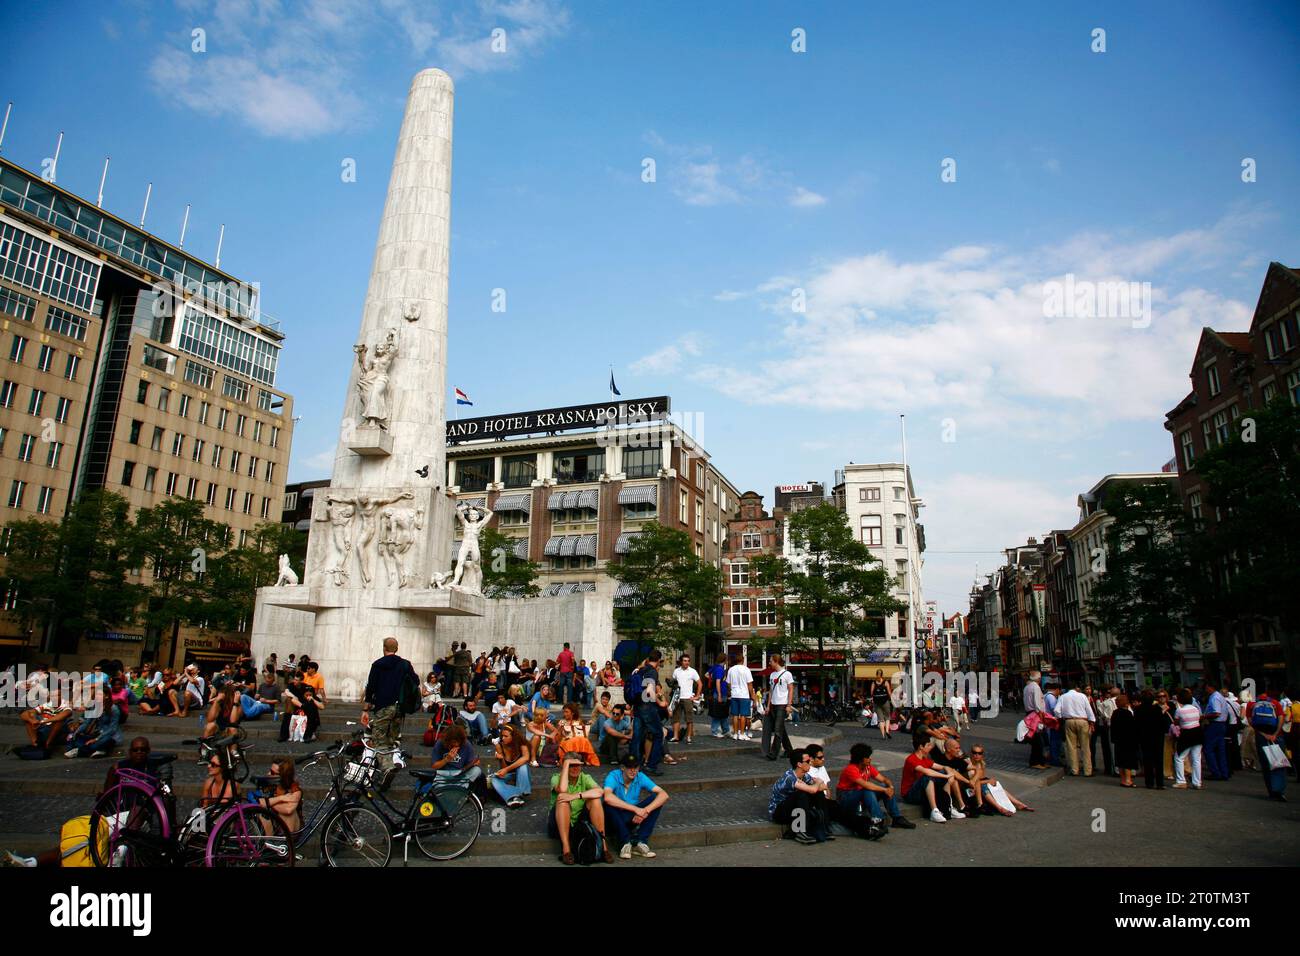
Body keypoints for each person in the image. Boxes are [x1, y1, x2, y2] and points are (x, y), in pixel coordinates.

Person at [361, 636, 419, 775]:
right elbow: (415, 681)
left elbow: (371, 688)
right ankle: (393, 760)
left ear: (384, 648)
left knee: (379, 738)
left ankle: (387, 767)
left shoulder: (378, 664)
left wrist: (365, 709)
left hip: (382, 706)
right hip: (400, 708)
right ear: (397, 649)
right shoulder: (405, 664)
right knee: (392, 738)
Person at [549, 753, 614, 864]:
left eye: (577, 765)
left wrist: (575, 796)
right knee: (562, 799)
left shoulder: (585, 777)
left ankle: (603, 848)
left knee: (596, 800)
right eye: (571, 765)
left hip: (579, 821)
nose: (575, 768)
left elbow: (600, 791)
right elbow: (563, 789)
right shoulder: (556, 777)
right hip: (559, 822)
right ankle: (566, 850)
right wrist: (565, 765)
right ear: (564, 766)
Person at [602, 753, 669, 859]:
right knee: (608, 804)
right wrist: (636, 809)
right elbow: (607, 797)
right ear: (622, 768)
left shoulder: (640, 776)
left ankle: (640, 842)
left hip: (631, 817)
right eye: (629, 767)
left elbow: (664, 795)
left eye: (636, 767)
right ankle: (625, 843)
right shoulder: (613, 776)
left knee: (655, 799)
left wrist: (645, 811)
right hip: (613, 820)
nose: (633, 770)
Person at [837, 742, 913, 831]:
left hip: (860, 795)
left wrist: (890, 787)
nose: (870, 759)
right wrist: (885, 789)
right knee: (868, 790)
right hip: (846, 798)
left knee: (883, 788)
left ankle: (897, 818)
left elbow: (883, 779)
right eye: (868, 757)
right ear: (861, 759)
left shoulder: (868, 767)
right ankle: (878, 819)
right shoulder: (851, 769)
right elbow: (865, 784)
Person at [768, 748, 830, 844]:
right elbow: (814, 788)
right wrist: (817, 782)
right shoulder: (790, 777)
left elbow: (824, 787)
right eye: (808, 761)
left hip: (794, 810)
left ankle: (824, 827)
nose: (810, 763)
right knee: (801, 794)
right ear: (799, 764)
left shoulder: (804, 775)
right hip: (779, 812)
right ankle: (801, 832)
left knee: (818, 794)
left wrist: (815, 785)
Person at [901, 737, 965, 823]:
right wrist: (946, 776)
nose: (930, 747)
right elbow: (926, 771)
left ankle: (948, 807)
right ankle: (934, 811)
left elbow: (944, 767)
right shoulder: (911, 759)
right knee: (927, 777)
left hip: (921, 791)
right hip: (910, 794)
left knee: (945, 772)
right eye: (928, 745)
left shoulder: (925, 760)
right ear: (921, 747)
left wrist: (949, 774)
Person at [967, 746, 1035, 814]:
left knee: (998, 787)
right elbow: (972, 783)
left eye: (979, 753)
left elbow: (983, 778)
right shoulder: (969, 766)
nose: (977, 755)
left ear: (982, 754)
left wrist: (990, 781)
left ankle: (1019, 804)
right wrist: (988, 781)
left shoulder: (981, 764)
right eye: (974, 752)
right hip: (973, 787)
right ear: (971, 753)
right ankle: (1000, 808)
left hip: (981, 783)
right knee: (985, 787)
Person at [1247, 690, 1288, 801]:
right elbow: (1281, 718)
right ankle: (1279, 791)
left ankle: (1271, 791)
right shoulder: (1275, 703)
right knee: (1279, 762)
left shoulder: (1251, 704)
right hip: (1276, 736)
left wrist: (1263, 734)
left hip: (1261, 736)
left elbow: (1251, 721)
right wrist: (1274, 734)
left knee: (1265, 764)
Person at [630, 651, 666, 771]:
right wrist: (660, 702)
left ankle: (633, 765)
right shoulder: (652, 671)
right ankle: (651, 765)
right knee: (658, 734)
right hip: (647, 706)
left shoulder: (641, 670)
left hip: (637, 706)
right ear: (658, 660)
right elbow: (650, 691)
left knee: (637, 736)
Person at [1054, 683, 1097, 776]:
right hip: (1082, 721)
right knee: (1085, 747)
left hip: (1069, 721)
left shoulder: (1063, 697)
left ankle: (1074, 770)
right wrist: (1092, 721)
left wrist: (1061, 717)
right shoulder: (1082, 696)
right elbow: (1088, 710)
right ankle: (1088, 771)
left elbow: (1056, 710)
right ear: (1076, 688)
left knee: (1071, 746)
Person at [763, 653, 796, 763]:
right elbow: (771, 691)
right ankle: (789, 751)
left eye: (771, 661)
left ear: (776, 661)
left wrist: (789, 704)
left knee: (777, 730)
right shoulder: (772, 675)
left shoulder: (787, 674)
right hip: (773, 704)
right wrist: (768, 706)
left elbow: (791, 689)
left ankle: (773, 754)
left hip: (782, 704)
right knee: (781, 729)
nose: (769, 663)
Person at [20, 688, 74, 755]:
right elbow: (24, 714)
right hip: (46, 729)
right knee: (29, 717)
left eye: (57, 696)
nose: (54, 698)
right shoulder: (47, 705)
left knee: (59, 721)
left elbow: (62, 716)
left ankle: (47, 744)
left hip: (60, 734)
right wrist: (32, 720)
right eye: (52, 696)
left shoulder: (66, 705)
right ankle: (35, 743)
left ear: (61, 697)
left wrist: (43, 722)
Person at [1171, 688, 1205, 789]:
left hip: (1186, 733)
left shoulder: (1180, 710)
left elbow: (1176, 722)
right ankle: (1197, 782)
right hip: (1197, 733)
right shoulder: (1195, 709)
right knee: (1196, 758)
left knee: (1179, 757)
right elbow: (1199, 718)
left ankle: (1181, 781)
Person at [490, 724, 532, 807]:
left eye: (506, 736)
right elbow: (504, 768)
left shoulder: (522, 744)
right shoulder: (500, 746)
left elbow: (526, 758)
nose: (503, 738)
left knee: (522, 766)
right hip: (509, 774)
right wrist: (501, 758)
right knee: (493, 779)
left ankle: (519, 794)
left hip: (522, 774)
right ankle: (514, 797)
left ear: (513, 737)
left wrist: (506, 769)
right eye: (502, 736)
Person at [260, 755, 303, 834]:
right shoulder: (266, 784)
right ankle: (269, 841)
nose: (269, 773)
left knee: (288, 814)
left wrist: (268, 803)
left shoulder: (294, 788)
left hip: (291, 828)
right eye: (270, 770)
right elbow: (258, 802)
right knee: (262, 813)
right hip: (272, 825)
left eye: (273, 772)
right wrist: (281, 799)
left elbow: (288, 809)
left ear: (283, 776)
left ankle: (286, 841)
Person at [1202, 679, 1230, 781]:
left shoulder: (1214, 698)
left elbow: (1216, 713)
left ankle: (1215, 772)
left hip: (1215, 724)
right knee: (1220, 750)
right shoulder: (1220, 696)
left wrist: (1204, 717)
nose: (1205, 689)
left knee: (1208, 749)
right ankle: (1224, 772)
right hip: (1221, 724)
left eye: (1206, 687)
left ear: (1210, 687)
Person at [670, 654, 701, 744]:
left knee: (689, 719)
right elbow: (673, 683)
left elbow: (700, 683)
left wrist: (697, 696)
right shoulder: (676, 671)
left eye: (688, 661)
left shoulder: (692, 671)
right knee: (676, 718)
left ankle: (688, 737)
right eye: (685, 661)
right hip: (677, 698)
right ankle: (675, 736)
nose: (687, 662)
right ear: (681, 662)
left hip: (688, 698)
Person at [1023, 669, 1049, 769]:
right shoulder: (1036, 687)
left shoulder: (1027, 687)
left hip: (1029, 714)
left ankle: (1039, 761)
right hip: (1036, 715)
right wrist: (1042, 717)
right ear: (1039, 679)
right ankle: (1035, 762)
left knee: (1036, 740)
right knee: (1038, 740)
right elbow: (1038, 704)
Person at [725, 653, 754, 740]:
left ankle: (735, 733)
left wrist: (731, 691)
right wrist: (752, 695)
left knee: (735, 715)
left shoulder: (731, 670)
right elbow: (750, 684)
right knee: (743, 715)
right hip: (744, 695)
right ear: (743, 660)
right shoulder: (746, 669)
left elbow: (728, 683)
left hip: (735, 694)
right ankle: (741, 733)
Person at [1092, 686, 1118, 776]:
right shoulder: (1100, 701)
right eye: (1107, 692)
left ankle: (1115, 768)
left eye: (1109, 692)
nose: (1109, 694)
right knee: (1107, 748)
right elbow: (1102, 714)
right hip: (1105, 727)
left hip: (1110, 726)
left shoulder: (1115, 701)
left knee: (1113, 748)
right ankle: (1109, 768)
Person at [706, 653, 729, 738]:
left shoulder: (715, 667)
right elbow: (718, 681)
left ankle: (726, 730)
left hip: (718, 692)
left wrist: (711, 679)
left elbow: (706, 674)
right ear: (724, 660)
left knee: (722, 712)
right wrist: (719, 694)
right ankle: (715, 731)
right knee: (718, 713)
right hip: (720, 693)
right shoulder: (720, 669)